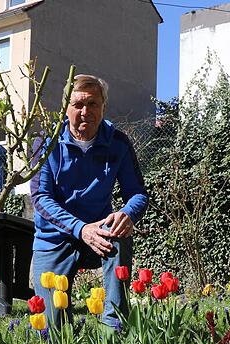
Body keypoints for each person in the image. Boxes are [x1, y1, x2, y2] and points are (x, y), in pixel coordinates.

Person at [30, 74, 149, 329]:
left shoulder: (118, 143)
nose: (86, 111)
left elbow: (137, 192)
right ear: (66, 108)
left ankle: (113, 329)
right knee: (51, 331)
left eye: (93, 104)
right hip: (54, 237)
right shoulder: (46, 142)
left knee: (118, 230)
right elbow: (40, 197)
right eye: (78, 105)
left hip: (99, 234)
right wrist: (80, 229)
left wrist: (127, 213)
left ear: (103, 106)